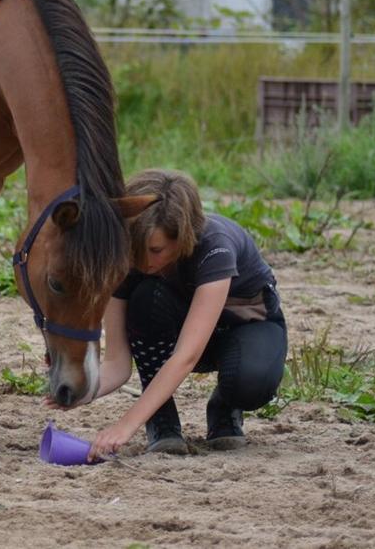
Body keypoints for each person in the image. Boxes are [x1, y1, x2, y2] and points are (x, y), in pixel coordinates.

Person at [46, 168, 287, 458]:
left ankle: (225, 405)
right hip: (179, 334)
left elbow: (187, 355)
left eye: (156, 249)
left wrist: (125, 426)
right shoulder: (126, 261)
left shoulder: (215, 246)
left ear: (182, 236)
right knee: (145, 298)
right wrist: (82, 391)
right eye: (134, 248)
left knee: (250, 382)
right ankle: (161, 420)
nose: (143, 261)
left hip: (245, 329)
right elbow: (117, 363)